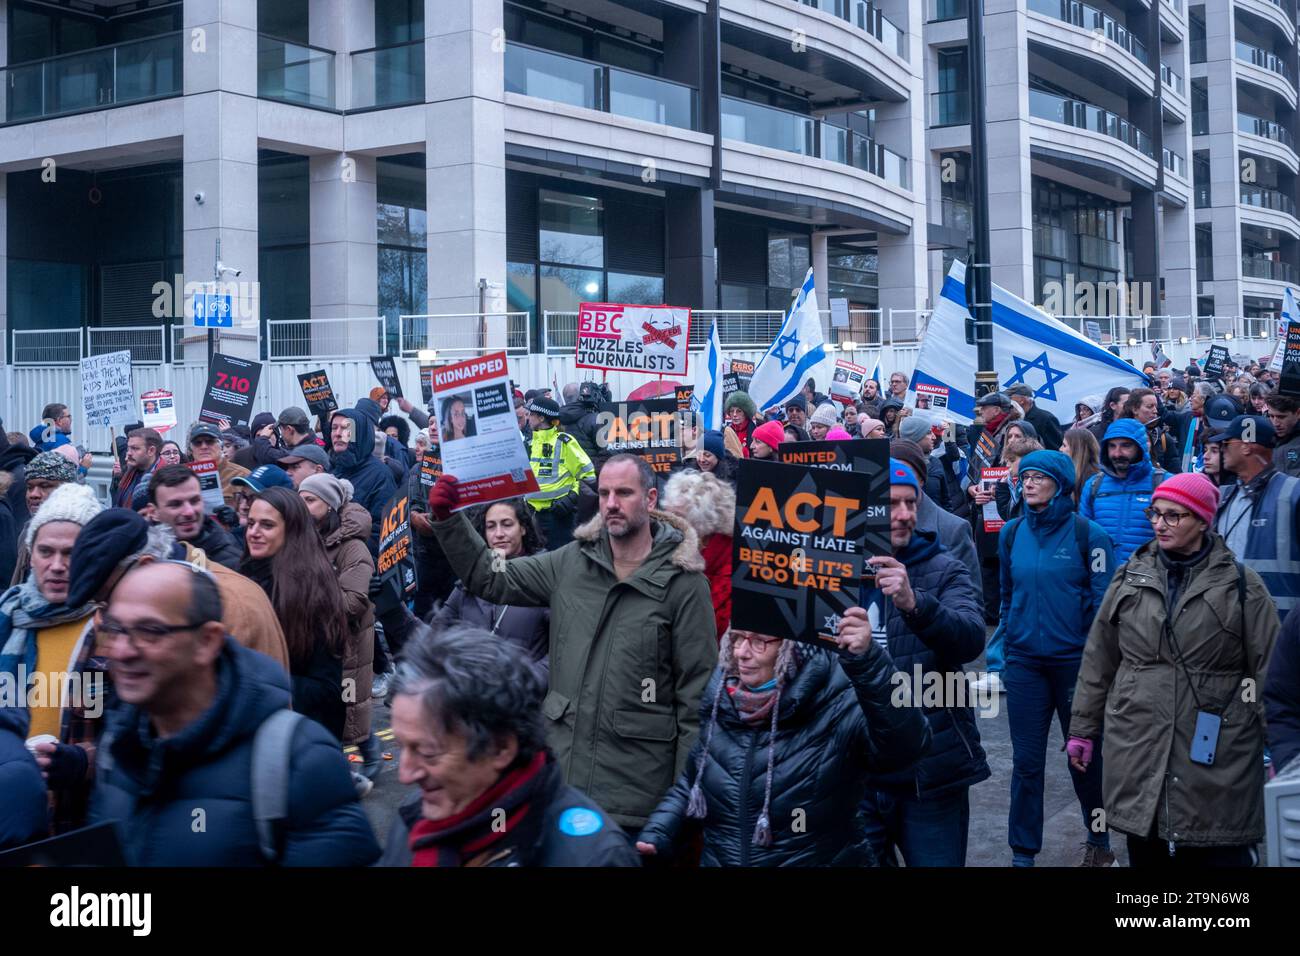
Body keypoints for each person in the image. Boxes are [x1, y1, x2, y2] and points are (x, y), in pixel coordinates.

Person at [427, 453, 717, 833]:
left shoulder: (684, 584)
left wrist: (678, 807)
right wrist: (450, 520)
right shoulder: (570, 563)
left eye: (624, 493)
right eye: (604, 493)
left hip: (636, 801)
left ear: (650, 500)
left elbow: (696, 702)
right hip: (562, 785)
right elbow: (491, 577)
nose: (611, 503)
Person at [88, 560, 379, 866]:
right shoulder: (117, 746)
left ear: (208, 641)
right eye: (115, 629)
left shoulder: (298, 759)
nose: (122, 650)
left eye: (149, 631)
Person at [1069, 473, 1278, 867]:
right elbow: (1100, 657)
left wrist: (1283, 751)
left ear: (1202, 521)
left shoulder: (1242, 586)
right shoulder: (1130, 576)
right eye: (1156, 513)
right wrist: (1083, 727)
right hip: (1138, 746)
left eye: (1174, 516)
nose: (1159, 524)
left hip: (1218, 757)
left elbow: (1270, 673)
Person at [637, 617, 929, 865]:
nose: (742, 652)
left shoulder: (837, 702)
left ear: (792, 650)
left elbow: (907, 746)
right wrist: (660, 832)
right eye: (737, 638)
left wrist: (871, 662)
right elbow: (695, 780)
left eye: (760, 641)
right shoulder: (722, 701)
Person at [379, 625, 638, 866]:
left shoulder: (594, 856)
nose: (405, 774)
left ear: (501, 748)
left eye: (427, 753)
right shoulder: (414, 817)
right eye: (402, 747)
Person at [855, 460, 989, 866]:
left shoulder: (943, 567)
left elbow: (969, 639)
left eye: (911, 503)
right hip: (856, 772)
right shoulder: (835, 570)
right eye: (892, 504)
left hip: (929, 772)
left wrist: (915, 604)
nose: (905, 514)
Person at [997, 450, 1115, 867]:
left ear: (1060, 484)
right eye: (1025, 476)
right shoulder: (1010, 533)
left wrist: (1095, 666)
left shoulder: (1090, 535)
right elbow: (1007, 597)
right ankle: (1022, 855)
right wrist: (1008, 650)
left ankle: (1099, 839)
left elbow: (1104, 611)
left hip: (1075, 668)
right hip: (1026, 665)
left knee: (1084, 761)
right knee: (1026, 764)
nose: (1028, 482)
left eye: (1038, 477)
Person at [67, 508, 289, 674]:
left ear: (145, 567)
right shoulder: (146, 608)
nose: (106, 615)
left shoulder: (234, 605)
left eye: (108, 599)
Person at [0, 483, 103, 833]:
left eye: (70, 553)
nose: (57, 566)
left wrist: (80, 763)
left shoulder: (111, 629)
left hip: (77, 819)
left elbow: (136, 741)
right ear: (30, 554)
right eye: (46, 551)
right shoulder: (7, 616)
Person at [242, 487, 353, 741]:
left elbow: (327, 690)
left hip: (297, 736)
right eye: (250, 523)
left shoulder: (313, 591)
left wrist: (257, 683)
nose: (254, 533)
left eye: (267, 525)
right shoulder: (246, 574)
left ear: (291, 530)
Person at [298, 473, 381, 786]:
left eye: (311, 500)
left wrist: (305, 603)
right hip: (316, 643)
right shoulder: (305, 539)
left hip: (346, 642)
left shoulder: (353, 548)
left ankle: (366, 751)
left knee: (348, 707)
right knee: (330, 709)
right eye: (301, 498)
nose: (303, 506)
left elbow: (353, 602)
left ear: (330, 506)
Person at [433, 499, 549, 670]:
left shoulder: (545, 577)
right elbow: (434, 636)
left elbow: (562, 652)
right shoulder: (470, 580)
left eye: (507, 524)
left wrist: (529, 681)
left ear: (523, 528)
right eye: (491, 526)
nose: (499, 534)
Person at [1210, 414, 1300, 615]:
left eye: (1226, 443)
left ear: (1246, 446)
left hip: (1280, 627)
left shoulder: (1293, 493)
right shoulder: (1224, 496)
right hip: (1230, 622)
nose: (1223, 449)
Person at [890, 440, 982, 607]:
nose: (897, 476)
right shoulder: (869, 526)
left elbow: (971, 606)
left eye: (906, 472)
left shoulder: (953, 529)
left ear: (921, 479)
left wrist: (915, 605)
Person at [661, 470, 734, 643]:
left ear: (703, 522)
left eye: (677, 518)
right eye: (667, 516)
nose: (666, 525)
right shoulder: (672, 551)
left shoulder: (731, 568)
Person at [1080, 418, 1164, 565]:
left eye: (1126, 446)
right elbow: (1084, 539)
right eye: (1112, 446)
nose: (1117, 453)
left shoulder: (1163, 483)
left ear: (1141, 447)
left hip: (1147, 580)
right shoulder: (1094, 485)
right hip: (1103, 579)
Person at [522, 395, 596, 551]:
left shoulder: (564, 442)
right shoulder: (529, 443)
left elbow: (588, 475)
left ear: (541, 418)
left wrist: (571, 498)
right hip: (532, 517)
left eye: (532, 414)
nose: (528, 418)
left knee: (561, 565)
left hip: (559, 517)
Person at [967, 391, 1016, 622]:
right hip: (984, 507)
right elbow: (974, 470)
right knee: (986, 561)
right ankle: (991, 611)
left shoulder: (1009, 430)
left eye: (984, 408)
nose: (981, 412)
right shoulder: (988, 432)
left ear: (997, 409)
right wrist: (972, 488)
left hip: (1003, 509)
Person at [145, 464, 244, 571]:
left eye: (194, 501)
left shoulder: (233, 561)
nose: (189, 512)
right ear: (153, 512)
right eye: (176, 504)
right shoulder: (139, 559)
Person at [8, 451, 82, 587]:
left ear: (68, 488)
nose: (33, 494)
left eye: (45, 486)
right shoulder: (28, 531)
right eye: (30, 487)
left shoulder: (87, 532)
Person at [328, 409, 396, 553]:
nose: (338, 433)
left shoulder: (380, 474)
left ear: (359, 433)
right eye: (334, 428)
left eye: (346, 428)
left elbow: (383, 532)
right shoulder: (331, 469)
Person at [188, 422, 250, 509]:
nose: (204, 446)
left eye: (210, 441)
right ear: (191, 449)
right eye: (197, 443)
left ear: (221, 446)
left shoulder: (242, 476)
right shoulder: (183, 477)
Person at [1004, 384, 1064, 451]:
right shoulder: (1011, 418)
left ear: (1022, 400)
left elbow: (1055, 450)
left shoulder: (1046, 419)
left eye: (1010, 398)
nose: (1007, 401)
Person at [113, 428, 161, 511]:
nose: (129, 453)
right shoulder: (129, 472)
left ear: (151, 451)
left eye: (135, 448)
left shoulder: (163, 480)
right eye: (128, 448)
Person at [1062, 427, 1101, 507]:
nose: (1060, 449)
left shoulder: (1094, 480)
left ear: (1077, 449)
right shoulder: (1068, 472)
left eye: (1064, 445)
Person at [1266, 393, 1300, 478]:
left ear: (1298, 413)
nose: (1275, 423)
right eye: (1271, 416)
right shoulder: (1263, 435)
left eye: (1281, 417)